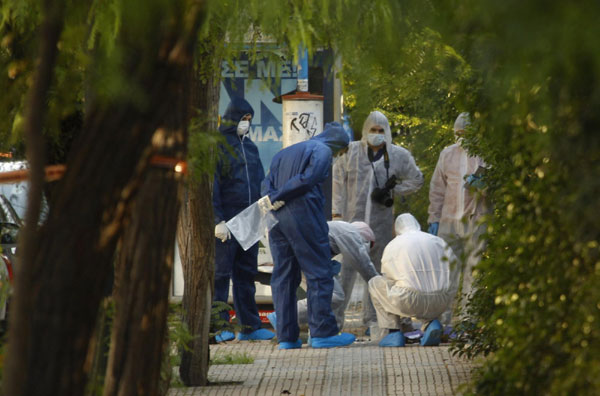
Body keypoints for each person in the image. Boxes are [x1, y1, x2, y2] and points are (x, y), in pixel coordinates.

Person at [260, 122, 355, 349]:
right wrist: (282, 195)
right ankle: (323, 332)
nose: (338, 156)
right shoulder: (322, 151)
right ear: (337, 144)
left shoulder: (283, 153)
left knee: (283, 277)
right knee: (319, 273)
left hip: (277, 219)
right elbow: (309, 178)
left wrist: (273, 198)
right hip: (303, 215)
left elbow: (266, 183)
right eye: (340, 152)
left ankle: (287, 337)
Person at [332, 110, 424, 333]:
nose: (376, 134)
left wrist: (395, 192)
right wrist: (336, 213)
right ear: (365, 130)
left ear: (387, 132)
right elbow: (336, 180)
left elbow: (417, 179)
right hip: (350, 223)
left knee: (376, 274)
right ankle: (334, 322)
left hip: (380, 225)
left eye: (381, 130)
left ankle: (373, 321)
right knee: (345, 273)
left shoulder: (397, 155)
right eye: (373, 130)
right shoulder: (351, 152)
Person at [212, 97, 274, 342]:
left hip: (249, 219)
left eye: (249, 119)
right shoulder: (218, 146)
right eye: (242, 119)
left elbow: (259, 180)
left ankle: (250, 325)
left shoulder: (251, 147)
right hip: (227, 220)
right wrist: (217, 219)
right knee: (220, 275)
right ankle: (218, 327)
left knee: (246, 274)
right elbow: (212, 184)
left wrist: (264, 210)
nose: (245, 124)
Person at [427, 112, 489, 325]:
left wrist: (483, 185)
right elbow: (437, 189)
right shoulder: (447, 154)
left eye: (466, 132)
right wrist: (433, 218)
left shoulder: (484, 154)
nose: (462, 136)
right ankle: (442, 320)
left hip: (476, 220)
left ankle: (468, 319)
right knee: (447, 272)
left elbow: (496, 187)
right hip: (449, 222)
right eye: (459, 133)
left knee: (474, 271)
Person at [267, 220, 378, 331]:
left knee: (317, 295)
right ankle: (283, 317)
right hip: (308, 257)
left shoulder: (341, 228)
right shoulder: (351, 233)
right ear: (366, 239)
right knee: (335, 295)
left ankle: (315, 331)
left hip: (301, 255)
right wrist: (378, 283)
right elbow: (362, 262)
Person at [368, 213, 457, 347]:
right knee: (433, 284)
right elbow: (454, 268)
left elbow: (389, 278)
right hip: (441, 301)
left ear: (397, 228)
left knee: (375, 283)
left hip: (409, 300)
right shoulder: (438, 241)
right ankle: (431, 324)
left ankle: (393, 332)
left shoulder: (394, 244)